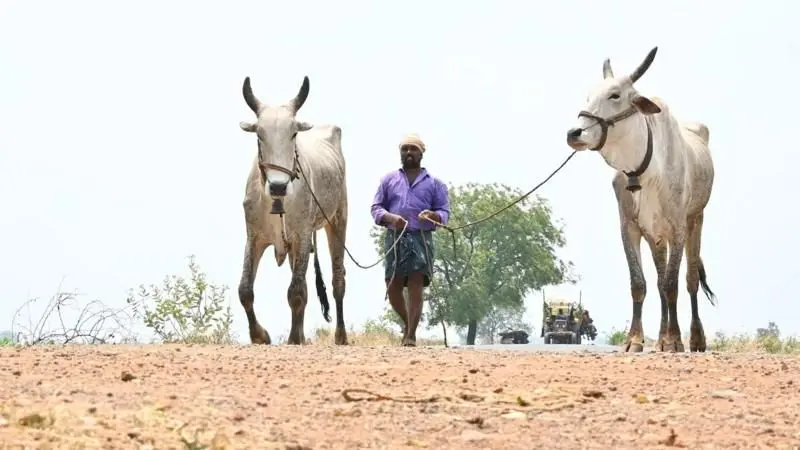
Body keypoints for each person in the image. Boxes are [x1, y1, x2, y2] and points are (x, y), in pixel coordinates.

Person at [370, 133, 450, 347]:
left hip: (421, 238)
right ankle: (407, 323)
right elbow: (376, 208)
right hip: (395, 237)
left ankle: (411, 335)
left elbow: (444, 212)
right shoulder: (388, 180)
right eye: (405, 149)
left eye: (413, 149)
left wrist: (433, 216)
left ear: (421, 153)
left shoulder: (435, 184)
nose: (408, 153)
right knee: (392, 285)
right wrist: (390, 217)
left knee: (416, 283)